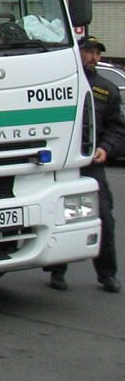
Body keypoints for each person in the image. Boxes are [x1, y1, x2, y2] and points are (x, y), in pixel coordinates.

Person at [47, 36, 123, 293]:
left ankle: (107, 274)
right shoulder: (63, 85)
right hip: (64, 163)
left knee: (104, 217)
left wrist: (105, 148)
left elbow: (116, 127)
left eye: (97, 54)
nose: (93, 57)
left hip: (91, 164)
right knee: (62, 215)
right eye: (88, 52)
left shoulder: (106, 89)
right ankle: (57, 270)